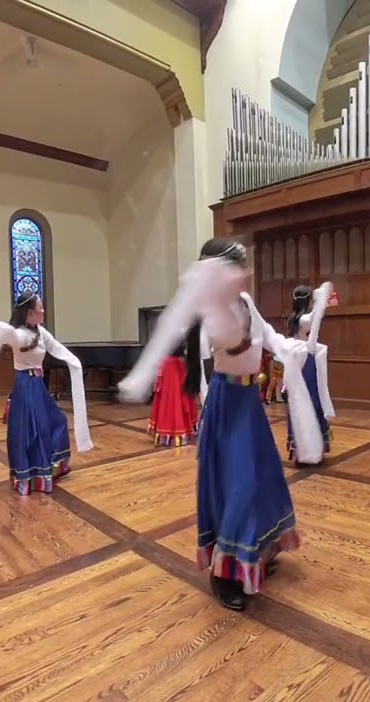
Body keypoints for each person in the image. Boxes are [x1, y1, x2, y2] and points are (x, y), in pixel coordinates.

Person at [118, 238, 321, 612]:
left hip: (250, 404)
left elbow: (270, 337)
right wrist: (141, 375)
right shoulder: (213, 312)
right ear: (217, 273)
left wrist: (293, 348)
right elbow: (170, 325)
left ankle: (256, 553)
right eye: (239, 266)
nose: (247, 273)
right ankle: (225, 573)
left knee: (264, 479)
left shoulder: (245, 304)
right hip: (228, 406)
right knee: (240, 485)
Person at [0, 292, 93, 495]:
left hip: (38, 385)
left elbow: (58, 349)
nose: (43, 310)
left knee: (57, 420)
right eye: (40, 306)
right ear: (30, 312)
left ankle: (51, 468)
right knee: (31, 430)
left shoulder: (42, 333)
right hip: (25, 386)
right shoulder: (19, 335)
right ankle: (28, 477)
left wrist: (75, 364)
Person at [282, 283, 335, 466]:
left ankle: (305, 448)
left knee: (301, 401)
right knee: (310, 401)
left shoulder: (294, 318)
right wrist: (323, 296)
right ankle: (309, 448)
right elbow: (316, 316)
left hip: (297, 360)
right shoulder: (304, 318)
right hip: (306, 361)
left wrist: (321, 298)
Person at [146, 336, 201, 447]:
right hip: (173, 365)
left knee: (174, 397)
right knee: (173, 398)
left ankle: (175, 432)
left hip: (174, 364)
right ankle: (174, 432)